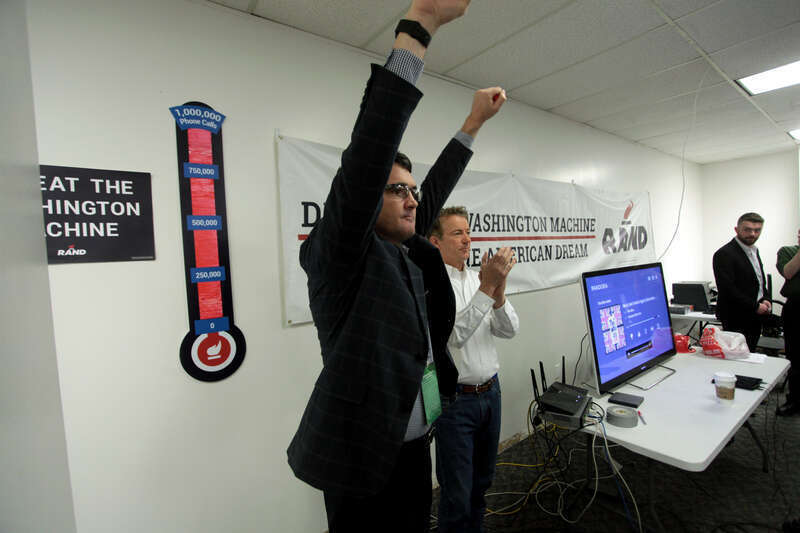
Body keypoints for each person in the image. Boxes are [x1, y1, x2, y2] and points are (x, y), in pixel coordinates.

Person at [286, 1, 507, 531]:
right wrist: (422, 24)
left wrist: (473, 124)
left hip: (413, 445)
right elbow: (368, 150)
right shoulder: (341, 257)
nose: (412, 200)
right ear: (365, 201)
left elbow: (432, 193)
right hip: (361, 458)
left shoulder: (403, 250)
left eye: (412, 190)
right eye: (396, 190)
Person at [428, 207, 519, 532]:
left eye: (468, 232)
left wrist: (499, 292)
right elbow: (454, 337)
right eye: (457, 233)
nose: (467, 239)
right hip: (456, 404)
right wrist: (487, 288)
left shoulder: (478, 280)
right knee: (457, 494)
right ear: (435, 242)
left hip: (490, 395)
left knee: (482, 484)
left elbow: (510, 330)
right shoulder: (432, 284)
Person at [712, 212, 771, 352]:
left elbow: (759, 280)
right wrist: (755, 306)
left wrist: (766, 298)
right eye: (747, 229)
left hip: (754, 315)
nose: (753, 234)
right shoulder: (724, 253)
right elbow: (727, 289)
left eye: (757, 230)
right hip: (736, 316)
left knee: (750, 353)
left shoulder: (753, 250)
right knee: (738, 357)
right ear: (736, 229)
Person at [776, 228, 800, 417]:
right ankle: (794, 400)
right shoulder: (788, 251)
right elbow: (788, 272)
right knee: (795, 357)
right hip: (796, 309)